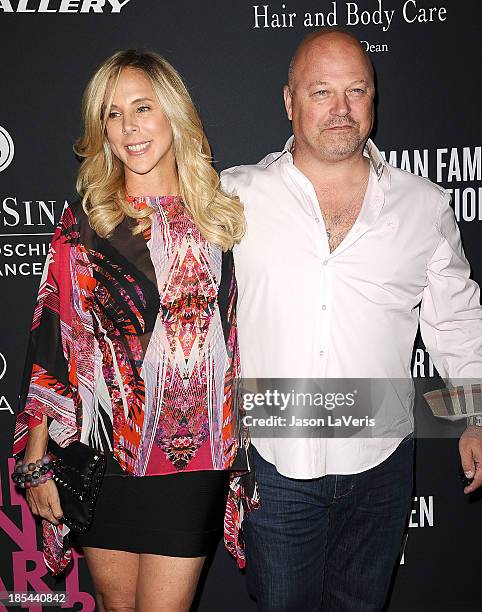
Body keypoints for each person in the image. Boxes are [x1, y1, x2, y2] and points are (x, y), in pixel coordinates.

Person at [221, 28, 482, 612]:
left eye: (356, 90)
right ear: (289, 102)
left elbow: (457, 321)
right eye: (321, 92)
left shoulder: (425, 206)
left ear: (374, 100)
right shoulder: (235, 196)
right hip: (273, 459)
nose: (340, 108)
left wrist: (476, 416)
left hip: (382, 464)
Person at [12, 50, 256, 612]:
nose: (128, 128)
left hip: (193, 460)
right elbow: (55, 340)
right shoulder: (86, 225)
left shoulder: (224, 219)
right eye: (113, 115)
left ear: (174, 113)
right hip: (103, 456)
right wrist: (37, 459)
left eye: (142, 108)